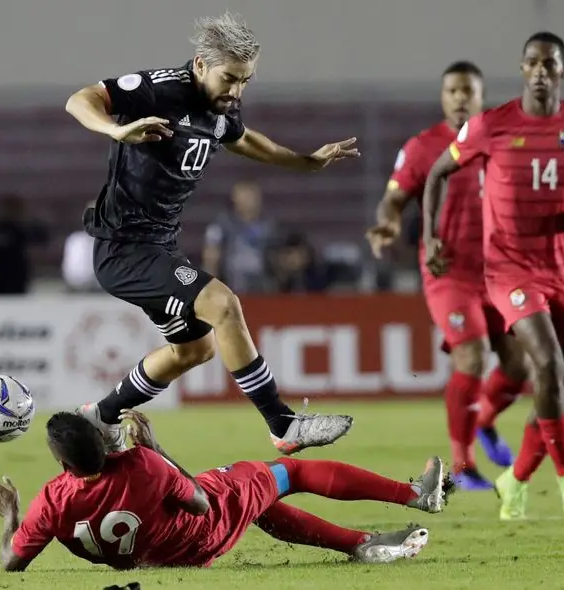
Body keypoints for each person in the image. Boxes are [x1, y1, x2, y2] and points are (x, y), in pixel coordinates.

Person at [64, 11, 358, 455]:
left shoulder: (220, 105)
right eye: (230, 78)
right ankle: (282, 424)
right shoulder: (159, 89)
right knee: (223, 304)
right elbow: (80, 99)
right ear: (200, 64)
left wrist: (305, 160)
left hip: (158, 245)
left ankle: (100, 417)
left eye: (246, 80)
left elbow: (241, 138)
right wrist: (116, 129)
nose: (237, 90)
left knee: (194, 350)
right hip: (123, 248)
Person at [422, 32, 564, 520]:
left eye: (549, 64)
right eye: (532, 62)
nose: (540, 71)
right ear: (522, 67)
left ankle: (516, 479)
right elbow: (436, 173)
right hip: (510, 269)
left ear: (562, 71)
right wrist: (429, 237)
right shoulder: (492, 124)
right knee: (546, 367)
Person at [0, 409, 454, 571]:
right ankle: (416, 494)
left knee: (261, 505)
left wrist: (11, 513)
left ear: (61, 463)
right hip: (202, 528)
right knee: (286, 474)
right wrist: (158, 449)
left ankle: (360, 545)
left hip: (159, 555)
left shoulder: (52, 501)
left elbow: (12, 561)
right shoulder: (142, 465)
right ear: (102, 441)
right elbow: (199, 501)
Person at [366, 61, 529, 491]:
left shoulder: (503, 144)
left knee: (519, 364)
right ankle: (462, 465)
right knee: (472, 357)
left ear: (481, 96)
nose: (460, 98)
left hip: (500, 272)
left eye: (467, 91)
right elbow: (393, 201)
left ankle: (484, 421)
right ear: (443, 97)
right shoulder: (422, 148)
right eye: (452, 91)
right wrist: (387, 224)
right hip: (448, 273)